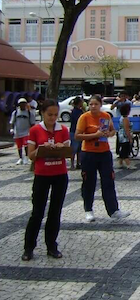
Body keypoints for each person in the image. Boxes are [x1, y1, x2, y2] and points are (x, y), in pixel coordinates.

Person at [22, 99, 70, 261]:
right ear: (42, 113)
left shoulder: (62, 130)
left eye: (55, 115)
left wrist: (61, 148)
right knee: (37, 212)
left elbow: (68, 151)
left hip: (59, 174)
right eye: (50, 114)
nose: (53, 118)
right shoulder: (35, 130)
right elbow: (31, 155)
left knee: (55, 212)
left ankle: (51, 245)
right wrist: (42, 149)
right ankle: (29, 247)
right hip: (42, 175)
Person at [75, 95, 130, 222]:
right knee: (89, 182)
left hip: (104, 152)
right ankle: (88, 209)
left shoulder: (106, 116)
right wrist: (95, 134)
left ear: (100, 105)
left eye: (96, 104)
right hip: (88, 153)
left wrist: (108, 133)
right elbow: (77, 136)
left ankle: (113, 210)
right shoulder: (84, 117)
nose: (93, 106)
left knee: (108, 181)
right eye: (91, 104)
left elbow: (112, 131)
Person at [10, 98, 35, 165]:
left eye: (24, 103)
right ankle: (20, 158)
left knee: (26, 145)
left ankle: (26, 157)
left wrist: (31, 131)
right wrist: (12, 129)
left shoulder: (29, 113)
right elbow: (12, 122)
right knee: (19, 146)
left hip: (26, 131)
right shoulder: (15, 113)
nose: (22, 105)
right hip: (17, 131)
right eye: (21, 104)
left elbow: (32, 123)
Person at [111, 91, 132, 157]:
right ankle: (118, 151)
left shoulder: (128, 102)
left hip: (126, 118)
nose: (122, 97)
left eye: (123, 96)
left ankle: (127, 151)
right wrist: (118, 101)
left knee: (127, 134)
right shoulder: (117, 102)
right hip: (118, 119)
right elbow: (111, 108)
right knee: (119, 136)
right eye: (121, 96)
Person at [117, 103, 135, 170]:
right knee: (125, 150)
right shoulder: (125, 119)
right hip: (125, 136)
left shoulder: (122, 118)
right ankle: (128, 164)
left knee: (122, 150)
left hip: (121, 135)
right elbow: (126, 129)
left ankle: (120, 163)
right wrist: (130, 138)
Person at [69, 97, 84, 170]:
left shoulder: (80, 111)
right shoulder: (75, 111)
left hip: (80, 132)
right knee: (74, 148)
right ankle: (72, 164)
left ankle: (78, 163)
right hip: (74, 131)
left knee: (79, 149)